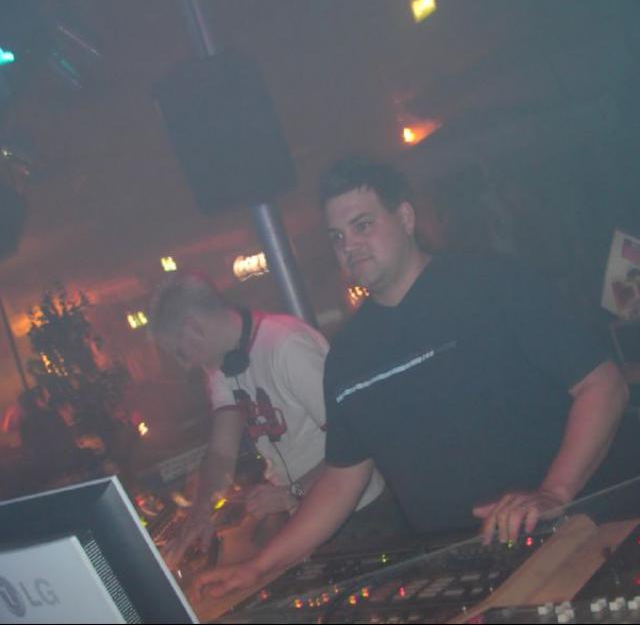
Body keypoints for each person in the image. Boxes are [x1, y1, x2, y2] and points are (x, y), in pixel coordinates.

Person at [195, 154, 633, 598]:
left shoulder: (492, 284)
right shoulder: (349, 356)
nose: (350, 246)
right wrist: (259, 567)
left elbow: (602, 386)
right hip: (467, 573)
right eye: (337, 236)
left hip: (575, 540)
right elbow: (343, 479)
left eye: (363, 226)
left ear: (405, 218)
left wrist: (554, 492)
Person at [148, 271, 392, 570]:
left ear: (193, 327)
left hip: (359, 513)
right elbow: (221, 452)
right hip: (307, 518)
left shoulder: (286, 347)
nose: (186, 365)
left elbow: (357, 439)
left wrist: (292, 491)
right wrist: (199, 514)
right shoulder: (224, 366)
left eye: (181, 353)